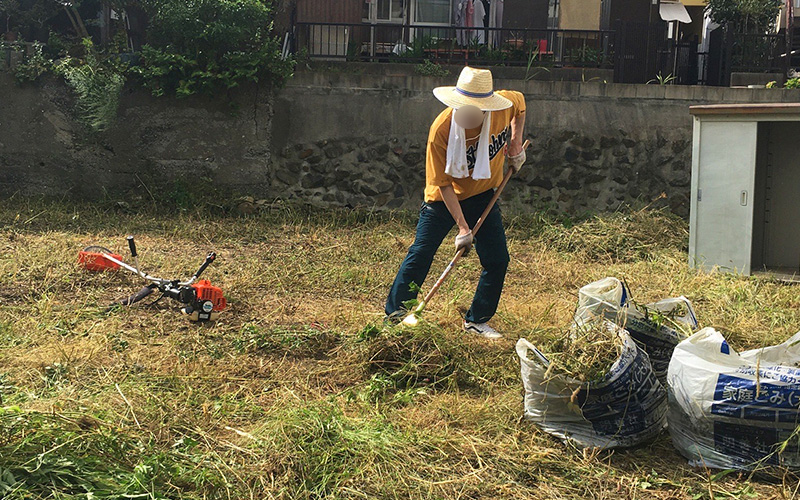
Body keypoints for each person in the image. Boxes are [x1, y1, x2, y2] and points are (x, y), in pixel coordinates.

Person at [385, 66, 526, 339]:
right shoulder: (441, 130)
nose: (465, 115)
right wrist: (463, 228)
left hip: (484, 193)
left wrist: (516, 144)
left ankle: (477, 320)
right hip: (442, 201)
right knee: (421, 254)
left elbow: (520, 105)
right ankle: (395, 317)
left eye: (472, 111)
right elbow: (444, 183)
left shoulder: (502, 108)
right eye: (461, 108)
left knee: (497, 260)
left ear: (486, 109)